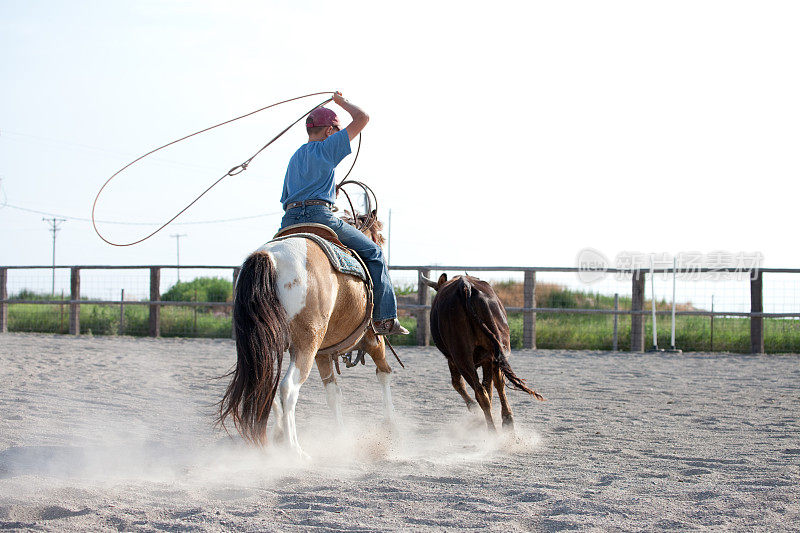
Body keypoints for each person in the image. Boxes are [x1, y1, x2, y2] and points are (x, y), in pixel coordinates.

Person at [279, 91, 408, 336]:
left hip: (288, 219)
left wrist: (325, 190)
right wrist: (341, 102)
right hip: (319, 216)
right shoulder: (328, 148)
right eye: (337, 132)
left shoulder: (295, 157)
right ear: (330, 131)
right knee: (374, 253)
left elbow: (287, 197)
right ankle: (384, 318)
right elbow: (362, 117)